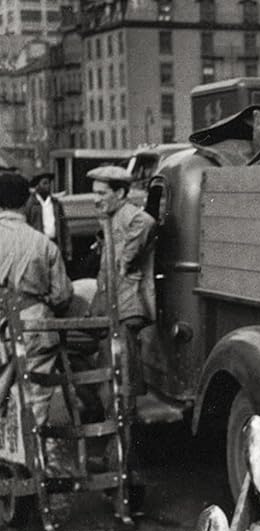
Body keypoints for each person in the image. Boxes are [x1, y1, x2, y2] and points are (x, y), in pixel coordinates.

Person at [88, 166, 157, 497]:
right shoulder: (110, 219)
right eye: (96, 191)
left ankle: (127, 476)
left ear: (121, 193)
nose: (96, 198)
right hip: (110, 313)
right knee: (110, 391)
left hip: (125, 312)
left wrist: (126, 258)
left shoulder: (132, 218)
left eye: (102, 192)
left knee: (123, 394)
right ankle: (116, 465)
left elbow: (148, 223)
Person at [0, 171, 74, 429]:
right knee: (34, 401)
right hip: (35, 327)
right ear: (24, 202)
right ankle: (30, 461)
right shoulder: (44, 244)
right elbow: (62, 295)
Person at [25, 172, 70, 260]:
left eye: (49, 183)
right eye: (45, 183)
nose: (48, 186)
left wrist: (67, 247)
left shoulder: (55, 203)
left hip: (55, 242)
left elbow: (64, 226)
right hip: (38, 245)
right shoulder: (31, 204)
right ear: (37, 186)